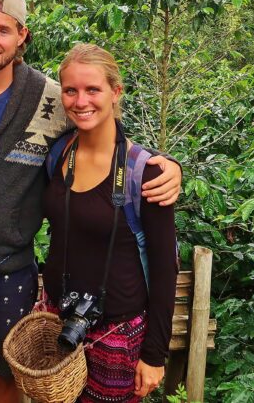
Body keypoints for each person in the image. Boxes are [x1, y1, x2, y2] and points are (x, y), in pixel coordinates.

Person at [0, 0, 182, 403]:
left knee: (7, 376)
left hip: (9, 268)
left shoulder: (51, 97)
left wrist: (167, 164)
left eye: (3, 30)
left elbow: (102, 135)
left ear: (22, 36)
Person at [40, 43, 178, 402]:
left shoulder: (145, 172)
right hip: (57, 318)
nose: (80, 101)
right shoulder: (58, 154)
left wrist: (154, 354)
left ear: (115, 92)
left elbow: (165, 267)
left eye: (92, 89)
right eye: (70, 90)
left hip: (117, 334)